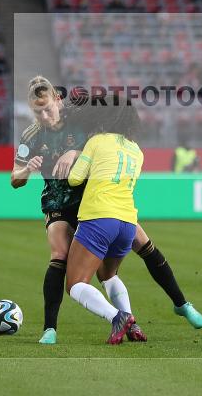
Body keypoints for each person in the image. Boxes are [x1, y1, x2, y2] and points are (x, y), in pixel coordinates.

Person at [11, 77, 202, 345]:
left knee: (143, 243)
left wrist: (75, 152)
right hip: (58, 201)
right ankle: (50, 329)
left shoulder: (79, 118)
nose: (44, 116)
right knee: (60, 254)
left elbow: (103, 136)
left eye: (48, 109)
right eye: (37, 112)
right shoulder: (30, 135)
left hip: (93, 198)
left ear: (58, 100)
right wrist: (27, 169)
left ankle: (182, 304)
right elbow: (15, 179)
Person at [64, 96, 144, 344]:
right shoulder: (136, 150)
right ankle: (133, 323)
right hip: (128, 223)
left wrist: (76, 157)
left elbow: (74, 179)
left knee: (75, 285)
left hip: (99, 217)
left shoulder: (96, 141)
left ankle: (117, 317)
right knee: (108, 276)